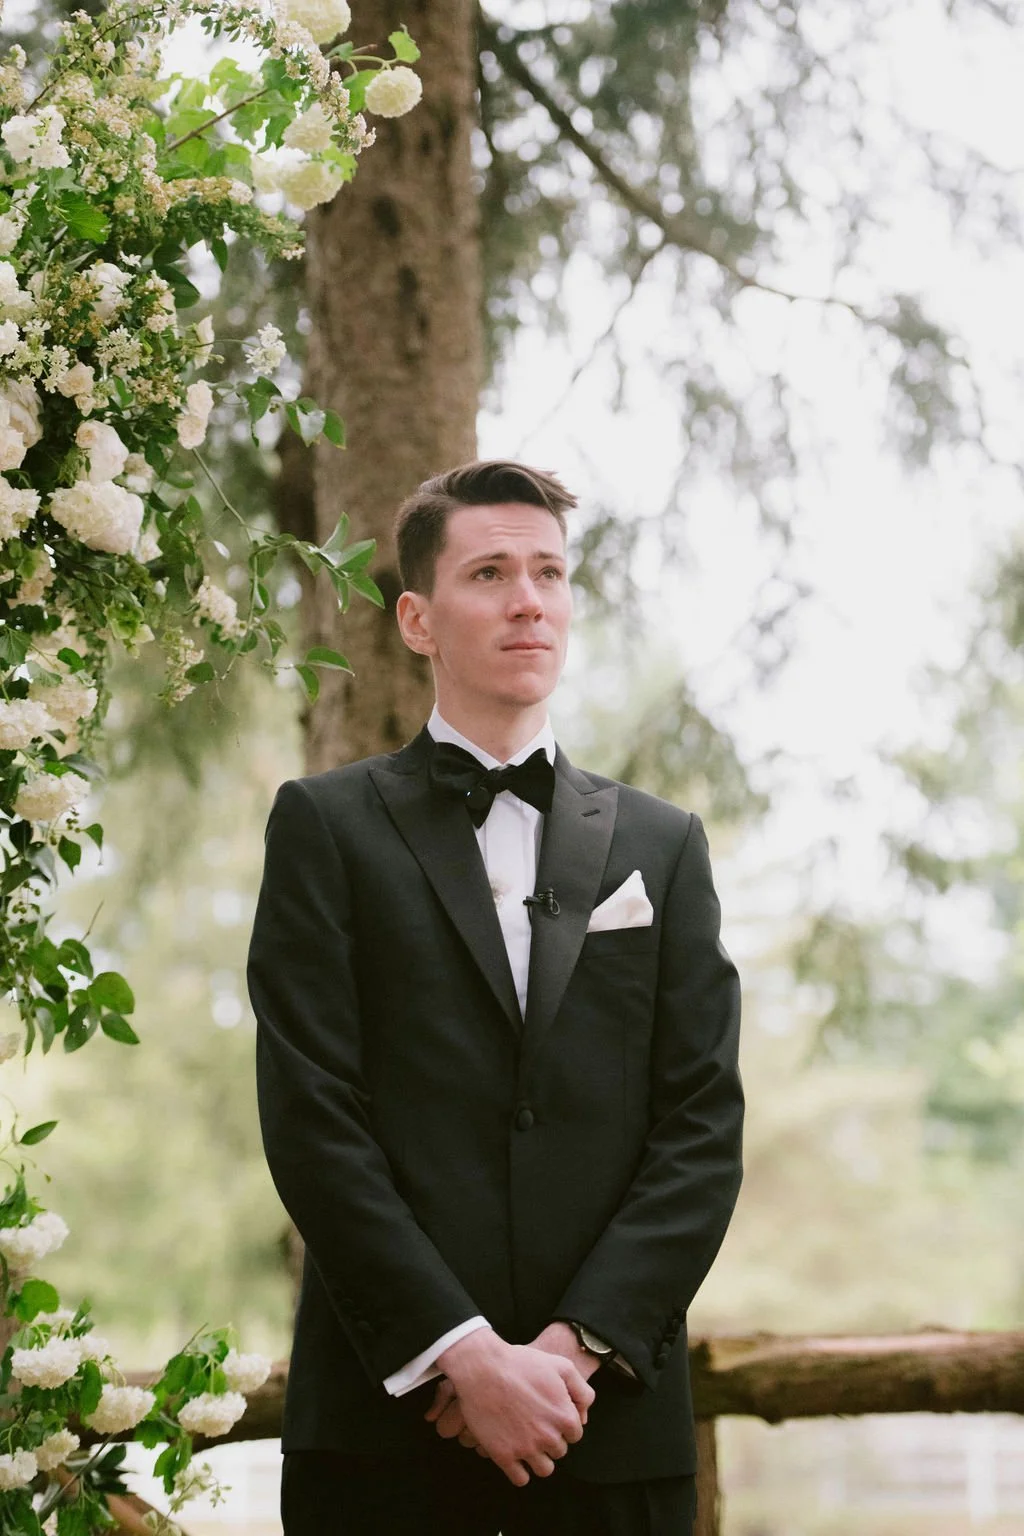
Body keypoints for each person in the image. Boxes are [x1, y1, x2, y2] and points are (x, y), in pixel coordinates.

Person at [247, 459, 744, 1536]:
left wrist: (569, 1357)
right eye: (490, 572)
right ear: (418, 619)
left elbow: (701, 1125)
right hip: (385, 1435)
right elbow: (311, 1117)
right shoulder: (324, 829)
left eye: (549, 573)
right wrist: (460, 1356)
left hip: (604, 1430)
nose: (529, 599)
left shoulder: (663, 845)